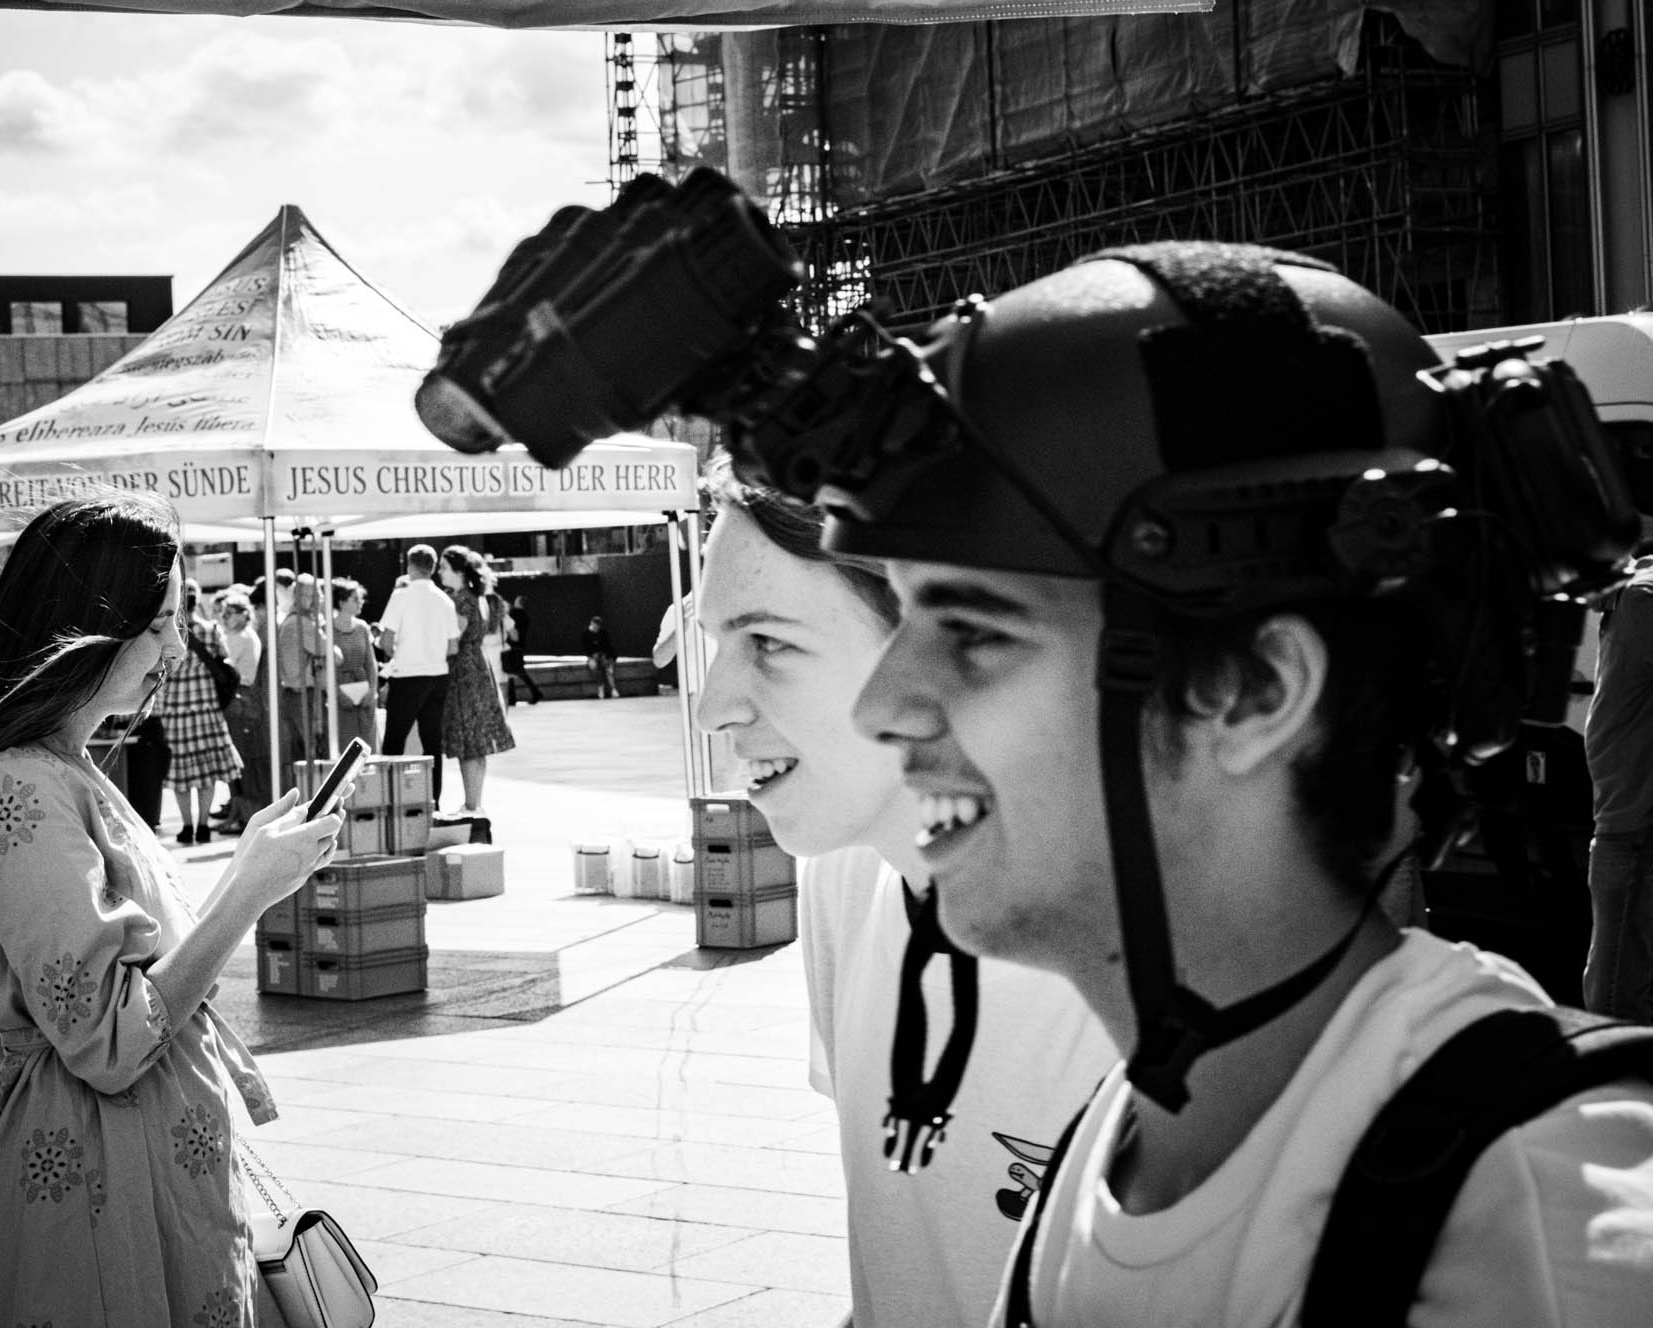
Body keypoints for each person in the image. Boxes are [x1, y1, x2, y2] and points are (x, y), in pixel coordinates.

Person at [809, 242, 1653, 1322]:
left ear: (1255, 691)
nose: (881, 704)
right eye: (901, 612)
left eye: (974, 630)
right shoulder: (1111, 1140)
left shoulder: (1535, 1223)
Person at [0, 491, 340, 1326]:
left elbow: (128, 987)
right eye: (157, 625)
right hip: (103, 1183)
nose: (176, 647)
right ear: (85, 625)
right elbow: (109, 1040)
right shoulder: (19, 788)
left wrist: (249, 870)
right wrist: (248, 894)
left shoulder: (54, 767)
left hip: (129, 1167)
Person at [694, 457, 1116, 1325]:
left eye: (768, 642)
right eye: (715, 643)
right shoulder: (845, 875)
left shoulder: (1134, 961)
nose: (713, 706)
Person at [1584, 549, 1653, 1020]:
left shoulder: (1639, 598)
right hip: (1628, 822)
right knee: (1616, 997)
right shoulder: (1635, 598)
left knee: (1615, 1003)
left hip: (1632, 825)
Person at [378, 543, 459, 806]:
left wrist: (399, 654)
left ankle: (390, 799)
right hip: (438, 674)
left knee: (394, 740)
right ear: (433, 567)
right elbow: (453, 646)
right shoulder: (445, 600)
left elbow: (386, 641)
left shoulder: (401, 596)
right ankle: (434, 800)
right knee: (432, 741)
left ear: (410, 566)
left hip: (408, 675)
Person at [164, 579, 242, 845]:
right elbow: (225, 659)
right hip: (207, 710)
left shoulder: (169, 633)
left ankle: (187, 826)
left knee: (181, 775)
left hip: (176, 711)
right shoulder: (211, 630)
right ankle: (204, 824)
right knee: (207, 774)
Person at [438, 545, 516, 814]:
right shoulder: (477, 597)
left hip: (464, 672)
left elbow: (453, 640)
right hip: (479, 668)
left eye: (444, 567)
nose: (440, 572)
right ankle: (475, 802)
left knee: (469, 741)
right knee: (477, 742)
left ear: (459, 571)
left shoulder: (459, 600)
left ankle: (471, 804)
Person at [215, 590, 268, 828]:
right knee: (233, 759)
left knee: (241, 759)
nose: (225, 617)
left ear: (243, 614)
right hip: (235, 698)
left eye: (230, 613)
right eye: (223, 613)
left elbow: (227, 665)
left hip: (241, 699)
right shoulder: (236, 635)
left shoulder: (244, 637)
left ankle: (245, 815)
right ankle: (237, 812)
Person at [275, 573, 326, 796]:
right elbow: (333, 653)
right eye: (308, 595)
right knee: (312, 752)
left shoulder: (294, 620)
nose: (314, 600)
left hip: (296, 694)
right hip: (303, 696)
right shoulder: (301, 623)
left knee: (302, 753)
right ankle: (312, 798)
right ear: (296, 597)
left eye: (317, 595)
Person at [330, 577, 380, 752]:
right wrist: (338, 695)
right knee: (346, 747)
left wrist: (372, 691)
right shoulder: (328, 629)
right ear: (341, 602)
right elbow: (327, 668)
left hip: (364, 695)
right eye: (355, 599)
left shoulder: (362, 628)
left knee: (368, 746)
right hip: (342, 698)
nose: (360, 602)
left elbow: (370, 663)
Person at [502, 593, 544, 706]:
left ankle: (516, 697)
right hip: (519, 646)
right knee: (517, 671)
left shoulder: (513, 614)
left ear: (518, 602)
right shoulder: (525, 616)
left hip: (511, 646)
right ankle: (530, 693)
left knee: (512, 671)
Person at [583, 613, 618, 698]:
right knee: (594, 666)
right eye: (595, 624)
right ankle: (600, 687)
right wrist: (592, 656)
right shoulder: (585, 634)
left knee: (609, 670)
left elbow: (608, 646)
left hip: (604, 655)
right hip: (592, 656)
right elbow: (585, 648)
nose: (597, 626)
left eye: (598, 624)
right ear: (591, 623)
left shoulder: (604, 632)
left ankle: (613, 689)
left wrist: (607, 657)